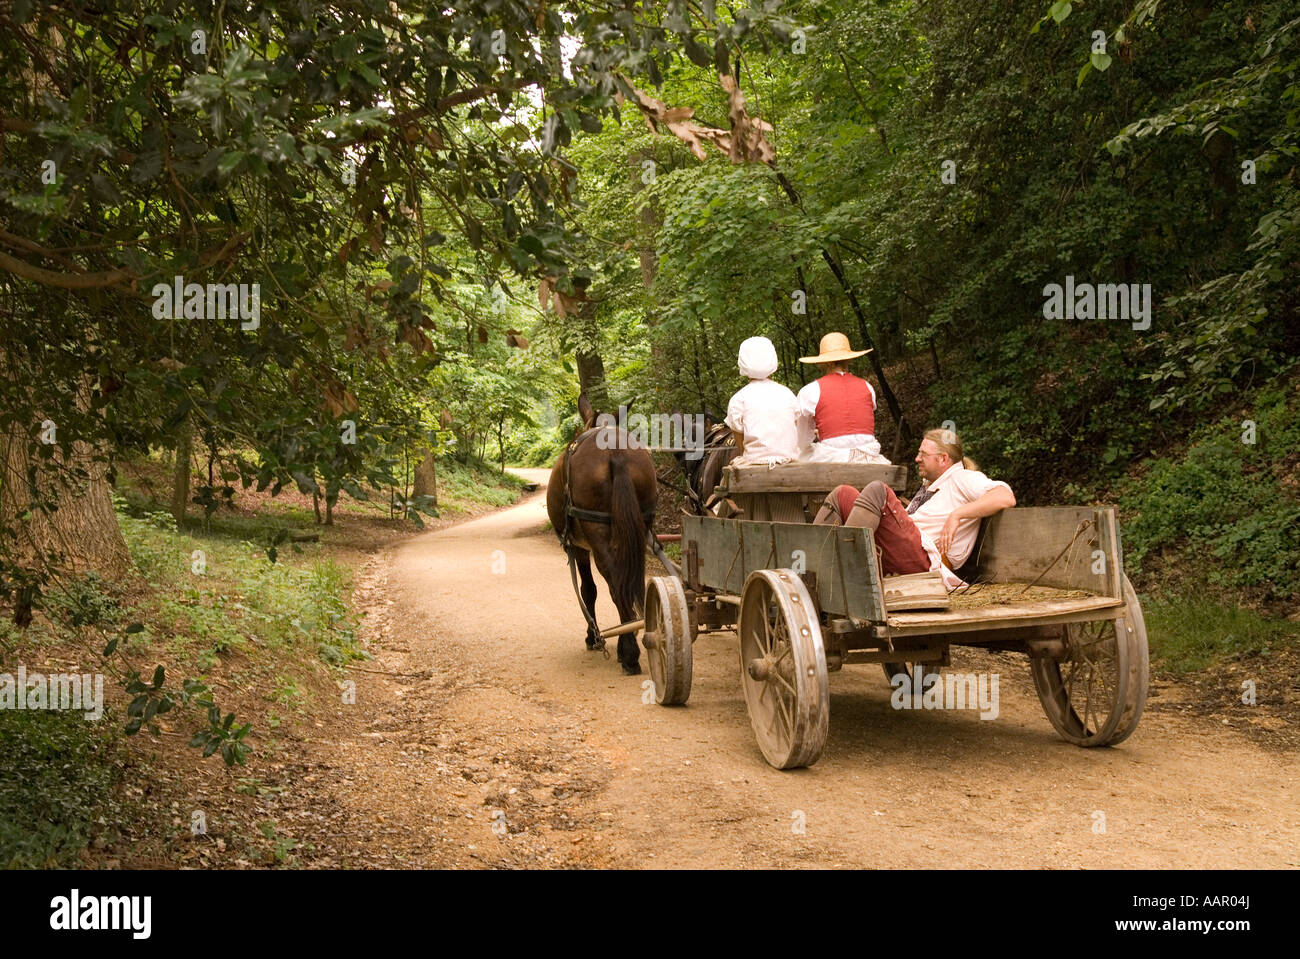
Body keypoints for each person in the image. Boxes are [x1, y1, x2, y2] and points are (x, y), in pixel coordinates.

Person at [812, 428, 1015, 589]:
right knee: (843, 493)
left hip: (926, 562)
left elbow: (1005, 496)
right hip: (906, 551)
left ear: (943, 459)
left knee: (877, 490)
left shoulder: (962, 478)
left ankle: (846, 576)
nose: (917, 458)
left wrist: (957, 515)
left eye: (923, 454)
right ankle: (813, 571)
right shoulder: (931, 485)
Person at [795, 332, 890, 464]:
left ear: (824, 362)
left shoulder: (810, 390)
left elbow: (802, 440)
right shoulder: (867, 386)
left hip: (832, 457)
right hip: (868, 456)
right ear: (848, 359)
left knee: (801, 454)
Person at [725, 336, 800, 467]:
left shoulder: (738, 398)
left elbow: (738, 436)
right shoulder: (788, 394)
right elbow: (796, 426)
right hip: (790, 462)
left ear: (742, 363)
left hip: (755, 464)